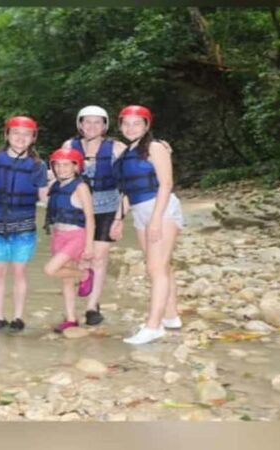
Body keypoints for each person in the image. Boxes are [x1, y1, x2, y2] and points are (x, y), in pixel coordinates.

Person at [110, 105, 184, 345]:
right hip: (140, 211)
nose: (131, 127)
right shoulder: (125, 154)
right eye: (126, 123)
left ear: (146, 125)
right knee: (162, 265)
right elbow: (127, 191)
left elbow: (166, 183)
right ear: (120, 126)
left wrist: (155, 219)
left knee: (156, 267)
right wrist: (118, 219)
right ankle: (171, 316)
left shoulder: (155, 147)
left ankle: (154, 326)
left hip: (160, 208)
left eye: (137, 123)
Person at [61, 105, 124, 326]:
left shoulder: (117, 148)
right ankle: (80, 288)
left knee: (99, 256)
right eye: (87, 122)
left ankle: (91, 306)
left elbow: (130, 178)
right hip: (76, 208)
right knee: (78, 258)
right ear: (80, 124)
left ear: (105, 125)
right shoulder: (70, 146)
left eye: (97, 122)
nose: (91, 126)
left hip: (107, 206)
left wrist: (120, 217)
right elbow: (60, 174)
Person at [0, 116, 49, 332]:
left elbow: (43, 196)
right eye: (16, 133)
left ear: (33, 138)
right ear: (6, 135)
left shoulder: (38, 165)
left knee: (19, 272)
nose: (21, 138)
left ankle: (18, 316)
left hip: (23, 226)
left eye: (26, 134)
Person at [42, 148, 95, 332]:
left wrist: (89, 246)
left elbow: (90, 217)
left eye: (66, 164)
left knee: (50, 270)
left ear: (76, 167)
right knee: (66, 280)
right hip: (59, 234)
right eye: (57, 164)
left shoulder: (81, 187)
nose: (61, 168)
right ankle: (71, 318)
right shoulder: (55, 186)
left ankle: (85, 275)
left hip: (76, 236)